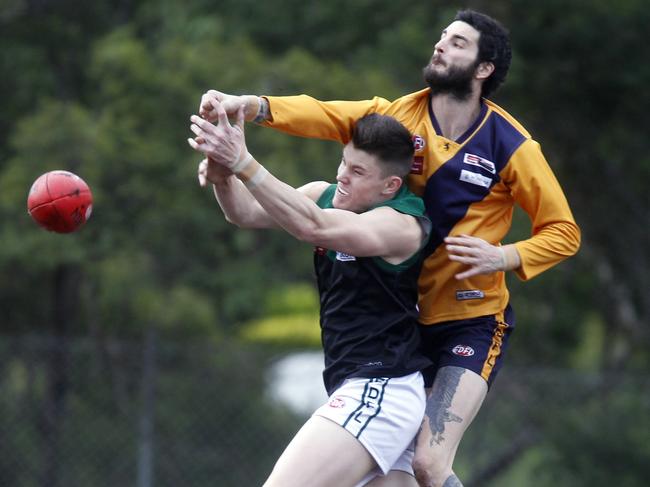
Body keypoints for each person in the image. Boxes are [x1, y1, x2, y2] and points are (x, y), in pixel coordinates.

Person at [197, 9, 581, 487]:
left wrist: (503, 256)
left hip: (472, 321)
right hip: (410, 322)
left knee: (428, 462)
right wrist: (251, 106)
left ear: (484, 69)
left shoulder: (512, 145)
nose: (441, 46)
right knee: (395, 476)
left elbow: (565, 232)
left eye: (458, 43)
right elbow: (325, 113)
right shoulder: (400, 113)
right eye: (442, 38)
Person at [188, 107, 434, 487]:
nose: (342, 176)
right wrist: (224, 175)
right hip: (372, 392)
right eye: (343, 162)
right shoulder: (324, 195)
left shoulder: (402, 224)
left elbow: (311, 226)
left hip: (381, 388)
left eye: (358, 172)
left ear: (390, 186)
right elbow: (246, 212)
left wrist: (243, 161)